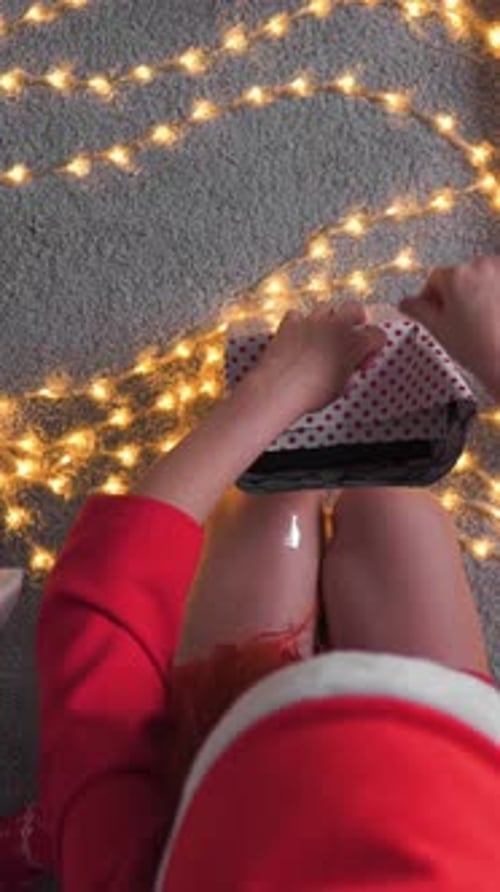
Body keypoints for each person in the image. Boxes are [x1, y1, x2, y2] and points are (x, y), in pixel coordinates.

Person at [5, 256, 498, 890]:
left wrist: (279, 387)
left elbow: (102, 605)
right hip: (451, 753)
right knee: (397, 509)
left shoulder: (129, 867)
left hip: (216, 764)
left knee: (269, 505)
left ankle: (57, 824)